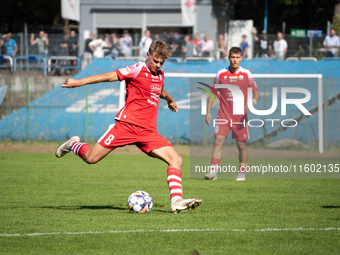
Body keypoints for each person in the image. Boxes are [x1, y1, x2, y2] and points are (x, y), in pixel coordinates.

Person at [55, 40, 202, 213]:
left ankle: (176, 201)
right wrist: (79, 82)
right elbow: (108, 76)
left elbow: (159, 90)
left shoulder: (160, 75)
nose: (158, 65)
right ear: (147, 55)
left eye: (161, 62)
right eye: (155, 61)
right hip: (126, 126)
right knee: (91, 158)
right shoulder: (136, 69)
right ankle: (72, 144)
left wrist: (169, 99)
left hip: (148, 132)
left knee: (176, 159)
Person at [204, 47, 260, 181]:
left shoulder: (247, 74)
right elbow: (213, 93)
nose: (235, 60)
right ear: (229, 57)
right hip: (223, 115)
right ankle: (213, 172)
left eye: (237, 57)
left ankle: (242, 173)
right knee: (218, 142)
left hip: (240, 116)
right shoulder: (221, 74)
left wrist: (252, 102)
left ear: (241, 58)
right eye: (232, 57)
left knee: (241, 145)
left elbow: (257, 93)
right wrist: (207, 112)